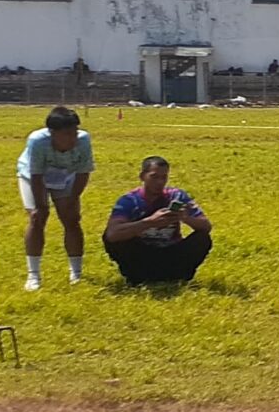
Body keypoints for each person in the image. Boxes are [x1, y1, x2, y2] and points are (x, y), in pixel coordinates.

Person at [18, 105, 97, 291]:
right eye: (67, 134)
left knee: (71, 219)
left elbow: (83, 173)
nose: (73, 138)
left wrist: (72, 199)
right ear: (52, 133)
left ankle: (76, 273)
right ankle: (33, 275)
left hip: (65, 175)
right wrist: (40, 205)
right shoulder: (37, 141)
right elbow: (36, 175)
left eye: (75, 132)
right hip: (34, 177)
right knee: (37, 218)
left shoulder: (83, 140)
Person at [104, 155, 213, 284]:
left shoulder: (177, 196)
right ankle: (138, 277)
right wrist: (150, 222)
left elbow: (206, 226)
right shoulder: (129, 201)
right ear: (142, 176)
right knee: (115, 238)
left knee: (202, 238)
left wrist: (185, 217)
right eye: (154, 177)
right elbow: (112, 234)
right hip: (141, 254)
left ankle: (178, 276)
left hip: (171, 252)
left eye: (164, 177)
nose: (160, 182)